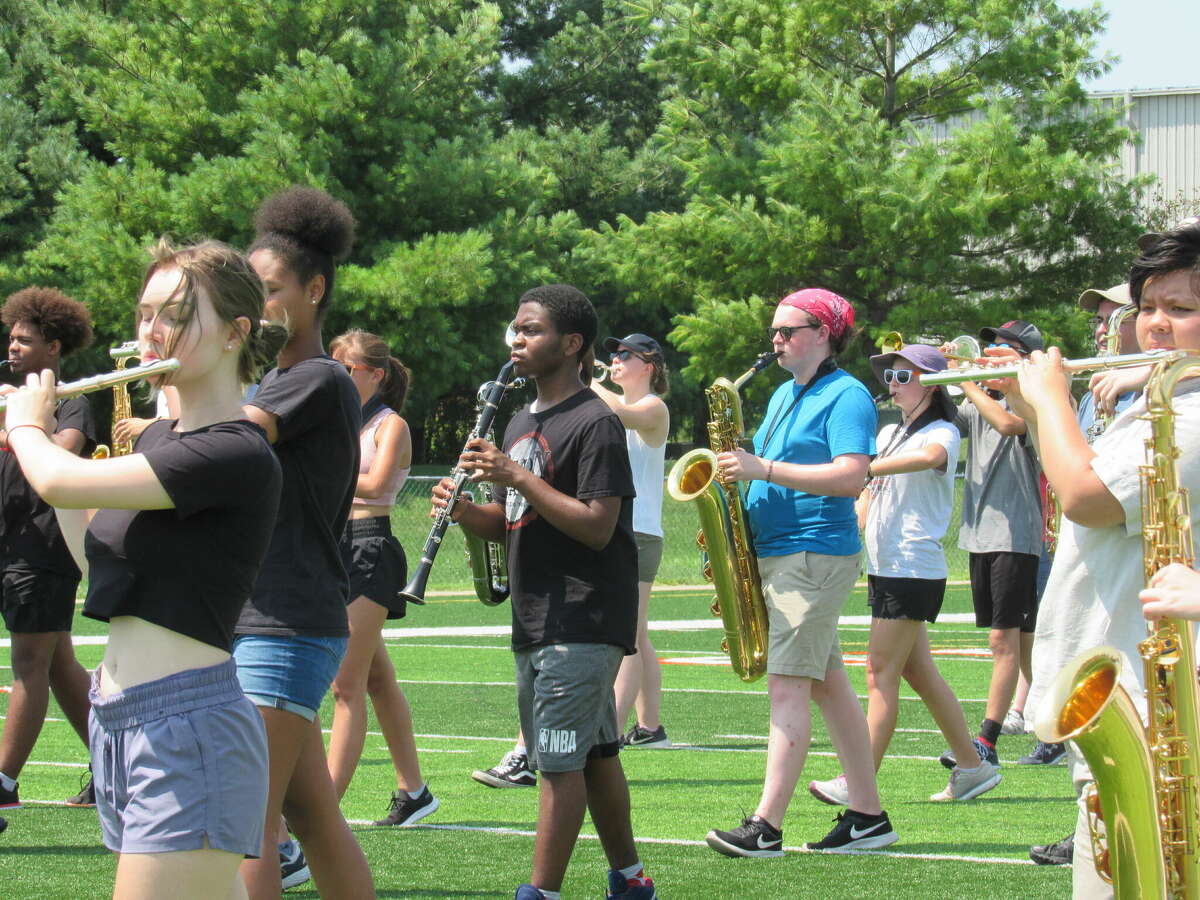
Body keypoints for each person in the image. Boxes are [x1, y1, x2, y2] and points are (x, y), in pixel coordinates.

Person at [4, 240, 286, 899]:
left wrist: (25, 428)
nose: (151, 331)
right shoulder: (162, 438)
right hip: (123, 719)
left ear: (234, 334)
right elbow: (92, 547)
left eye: (176, 313)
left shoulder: (234, 451)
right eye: (144, 314)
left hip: (187, 728)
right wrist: (39, 455)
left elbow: (60, 474)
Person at [432, 284, 658, 900]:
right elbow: (514, 519)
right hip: (539, 613)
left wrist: (515, 475)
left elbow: (595, 524)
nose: (516, 339)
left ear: (571, 343)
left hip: (582, 615)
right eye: (515, 327)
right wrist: (464, 513)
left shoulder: (596, 422)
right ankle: (632, 880)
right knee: (595, 754)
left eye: (530, 329)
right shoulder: (520, 420)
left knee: (556, 761)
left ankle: (541, 892)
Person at [1017, 219, 1200, 899]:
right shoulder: (1163, 399)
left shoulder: (1192, 414)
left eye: (1180, 310)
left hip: (1161, 710)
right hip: (1129, 696)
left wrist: (1052, 400)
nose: (1155, 326)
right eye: (1146, 307)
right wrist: (1041, 414)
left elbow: (1087, 497)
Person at [705, 287, 897, 858]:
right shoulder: (787, 393)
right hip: (780, 552)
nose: (776, 340)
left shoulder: (848, 396)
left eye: (787, 331)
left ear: (824, 334)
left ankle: (766, 825)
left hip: (811, 553)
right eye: (774, 331)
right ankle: (868, 816)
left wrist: (761, 466)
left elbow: (849, 476)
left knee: (786, 687)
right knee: (828, 689)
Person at [237, 187, 375, 900]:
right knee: (311, 816)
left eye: (268, 292)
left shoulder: (314, 379)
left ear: (313, 291)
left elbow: (230, 436)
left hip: (283, 619)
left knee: (248, 822)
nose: (253, 308)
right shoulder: (274, 380)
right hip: (271, 613)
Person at [807, 344, 1000, 807]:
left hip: (912, 566)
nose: (892, 385)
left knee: (879, 673)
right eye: (890, 376)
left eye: (903, 376)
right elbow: (868, 495)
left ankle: (859, 781)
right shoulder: (891, 430)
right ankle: (972, 767)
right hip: (888, 564)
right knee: (918, 671)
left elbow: (928, 457)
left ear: (931, 384)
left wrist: (866, 466)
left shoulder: (943, 430)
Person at [325, 328, 438, 826]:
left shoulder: (390, 425)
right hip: (334, 548)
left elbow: (374, 484)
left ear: (375, 374)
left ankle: (320, 807)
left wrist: (318, 475)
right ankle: (413, 790)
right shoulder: (336, 421)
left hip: (370, 547)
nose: (338, 379)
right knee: (374, 678)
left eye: (346, 370)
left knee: (345, 687)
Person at [0, 288, 97, 811]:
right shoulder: (6, 395)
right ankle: (110, 768)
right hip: (9, 542)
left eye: (26, 340)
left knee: (29, 662)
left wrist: (15, 422)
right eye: (12, 338)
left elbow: (61, 455)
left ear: (54, 347)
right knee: (59, 663)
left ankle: (4, 781)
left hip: (44, 546)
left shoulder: (74, 400)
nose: (13, 347)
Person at [940, 320, 1043, 769]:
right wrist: (934, 370)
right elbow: (944, 414)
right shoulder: (977, 400)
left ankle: (987, 741)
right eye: (991, 347)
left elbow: (1006, 424)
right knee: (1023, 645)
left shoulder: (1034, 401)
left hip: (1016, 534)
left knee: (1005, 640)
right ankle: (1058, 727)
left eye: (1003, 349)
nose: (990, 353)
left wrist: (963, 378)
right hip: (980, 535)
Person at [589, 333, 671, 748]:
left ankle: (612, 733)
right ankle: (651, 726)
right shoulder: (612, 403)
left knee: (627, 635)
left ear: (649, 366)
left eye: (625, 355)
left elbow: (619, 411)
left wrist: (583, 374)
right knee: (637, 634)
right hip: (625, 529)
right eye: (612, 355)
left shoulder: (652, 406)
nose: (615, 360)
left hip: (638, 531)